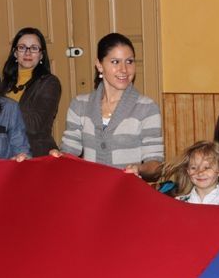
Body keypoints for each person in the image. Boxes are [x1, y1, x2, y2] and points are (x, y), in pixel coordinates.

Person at [52, 33, 164, 180]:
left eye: (129, 61)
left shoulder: (147, 108)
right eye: (115, 62)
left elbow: (156, 165)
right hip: (90, 188)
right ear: (99, 65)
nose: (124, 69)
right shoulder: (79, 105)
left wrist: (139, 168)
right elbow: (69, 152)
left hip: (127, 190)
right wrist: (57, 156)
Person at [2, 27, 61, 157]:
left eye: (34, 48)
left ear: (41, 55)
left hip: (35, 154)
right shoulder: (3, 84)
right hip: (5, 153)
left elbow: (34, 125)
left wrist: (2, 110)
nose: (27, 53)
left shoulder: (49, 83)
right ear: (15, 53)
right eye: (22, 47)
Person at [160, 141, 219, 206]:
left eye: (207, 168)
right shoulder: (178, 203)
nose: (200, 173)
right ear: (188, 171)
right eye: (194, 168)